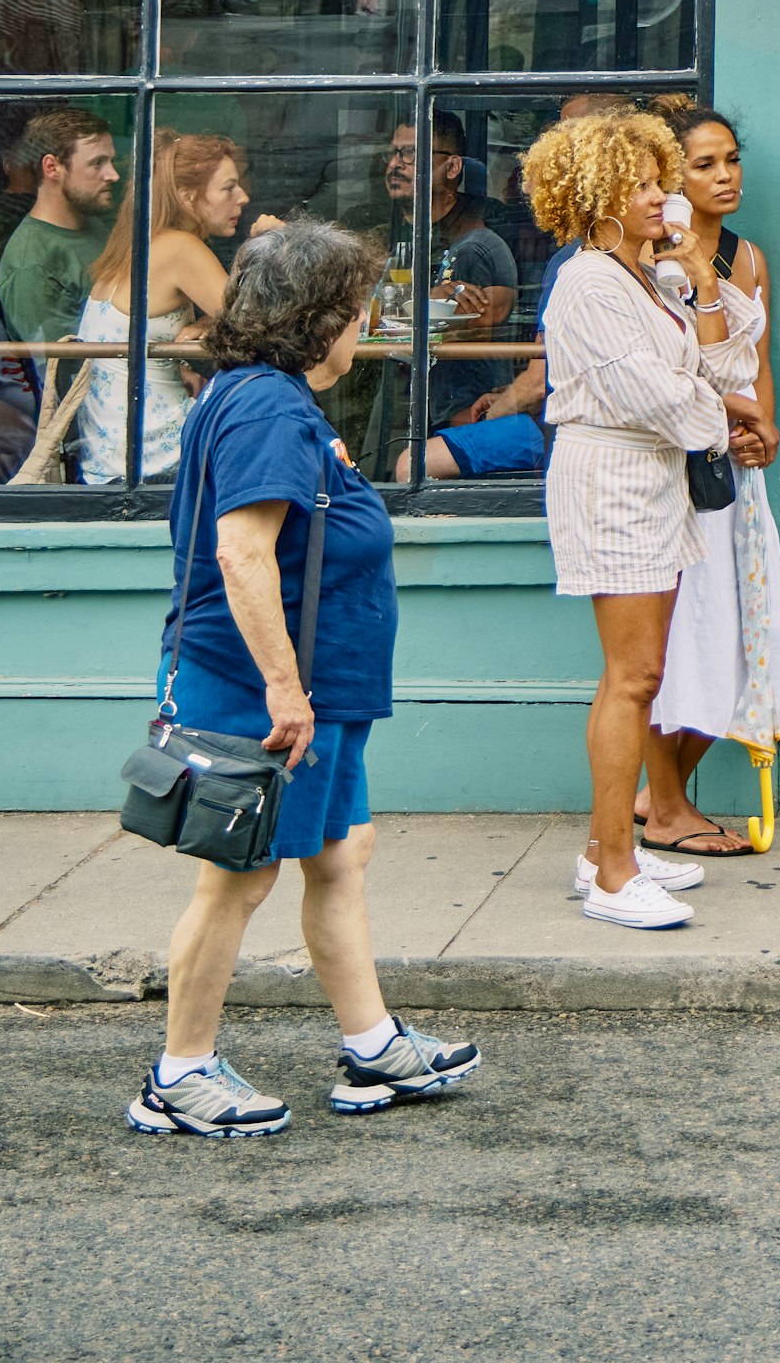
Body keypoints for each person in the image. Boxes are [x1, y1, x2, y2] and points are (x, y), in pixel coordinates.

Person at [128, 218, 480, 1138]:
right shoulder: (268, 410)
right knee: (237, 881)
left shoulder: (267, 399)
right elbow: (241, 554)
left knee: (339, 853)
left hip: (317, 690)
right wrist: (286, 691)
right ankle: (178, 1075)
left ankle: (372, 1049)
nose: (363, 330)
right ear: (317, 319)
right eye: (357, 312)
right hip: (265, 693)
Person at [528, 108, 760, 930]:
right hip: (613, 480)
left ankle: (603, 851)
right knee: (632, 680)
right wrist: (718, 408)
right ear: (599, 199)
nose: (663, 193)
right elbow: (666, 400)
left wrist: (699, 280)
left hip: (652, 480)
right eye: (646, 182)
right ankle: (615, 873)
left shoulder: (645, 274)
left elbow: (730, 358)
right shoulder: (588, 283)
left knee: (638, 676)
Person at [640, 107, 780, 862]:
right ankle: (664, 802)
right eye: (704, 164)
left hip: (737, 467)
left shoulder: (749, 257)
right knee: (680, 636)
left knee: (742, 635)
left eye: (730, 158)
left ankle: (659, 793)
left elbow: (754, 365)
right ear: (672, 180)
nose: (725, 175)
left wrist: (765, 426)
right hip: (681, 470)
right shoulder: (656, 263)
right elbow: (690, 374)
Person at [407, 93, 635, 484]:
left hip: (566, 429)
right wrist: (506, 397)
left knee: (414, 463)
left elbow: (539, 379)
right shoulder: (593, 247)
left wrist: (498, 411)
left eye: (566, 136)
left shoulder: (575, 258)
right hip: (582, 421)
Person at [76, 134, 249, 489]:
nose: (243, 197)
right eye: (229, 188)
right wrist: (274, 244)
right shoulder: (180, 248)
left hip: (111, 457)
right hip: (158, 458)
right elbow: (264, 326)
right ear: (187, 197)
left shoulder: (136, 245)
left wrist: (205, 321)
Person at [379, 114, 518, 436]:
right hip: (390, 392)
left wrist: (448, 302)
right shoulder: (376, 228)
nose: (395, 165)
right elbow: (357, 308)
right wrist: (428, 299)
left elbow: (490, 314)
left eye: (410, 153)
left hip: (464, 403)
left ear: (453, 167)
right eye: (393, 153)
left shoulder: (482, 234)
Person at [0, 109, 119, 347]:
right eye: (97, 163)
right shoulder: (31, 265)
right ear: (52, 167)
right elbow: (63, 370)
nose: (113, 175)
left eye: (110, 161)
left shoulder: (93, 224)